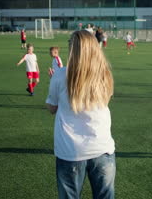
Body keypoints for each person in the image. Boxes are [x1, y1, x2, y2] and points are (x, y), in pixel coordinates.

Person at [46, 30, 115, 199]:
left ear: (73, 49)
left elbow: (51, 108)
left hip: (70, 151)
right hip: (102, 148)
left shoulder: (60, 75)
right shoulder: (105, 74)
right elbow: (106, 100)